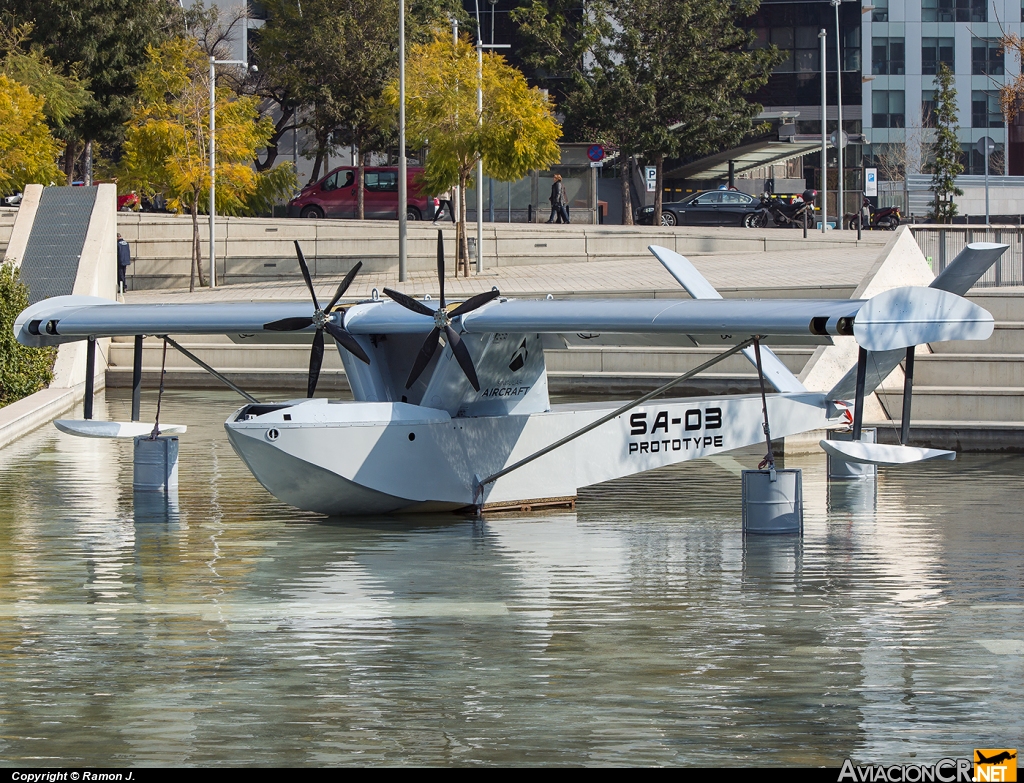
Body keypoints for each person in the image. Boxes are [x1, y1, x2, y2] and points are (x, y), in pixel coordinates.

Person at [116, 233, 131, 298]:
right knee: (123, 274)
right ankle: (124, 287)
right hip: (125, 261)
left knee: (120, 275)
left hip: (120, 261)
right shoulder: (126, 243)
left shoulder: (117, 244)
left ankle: (123, 287)